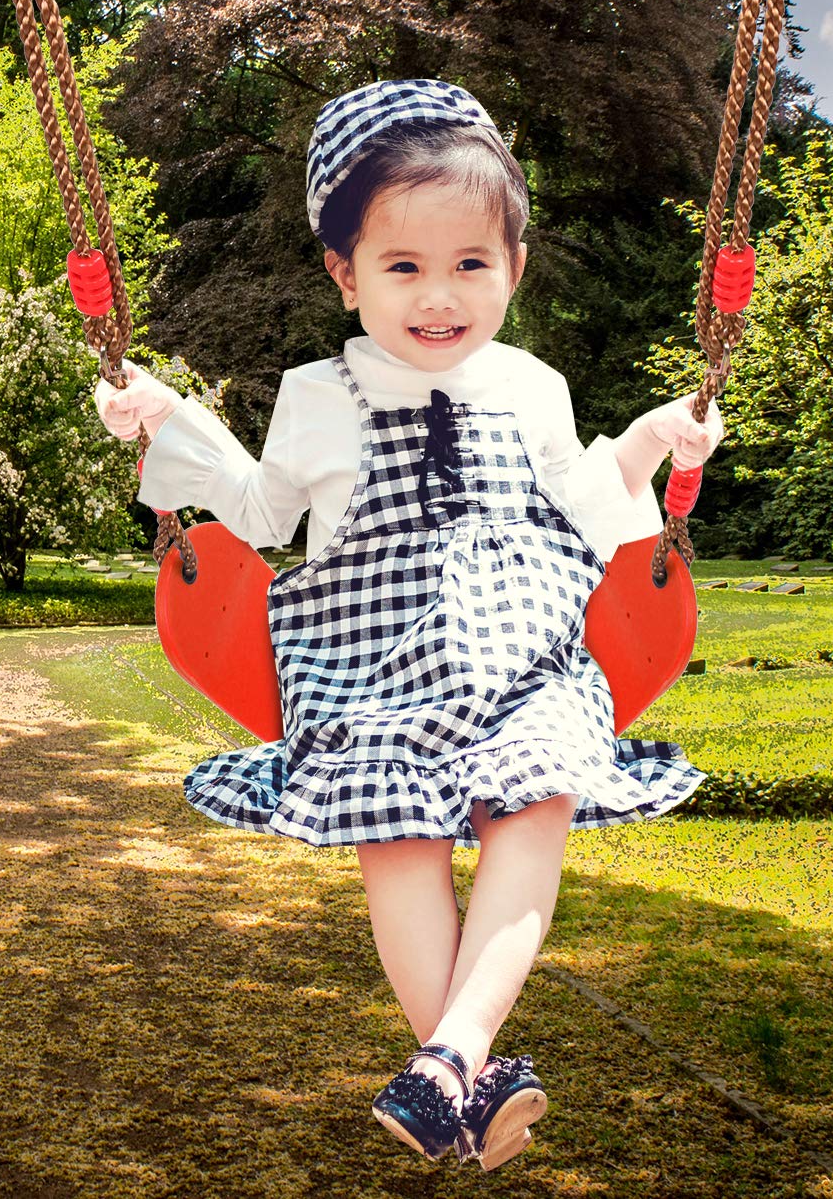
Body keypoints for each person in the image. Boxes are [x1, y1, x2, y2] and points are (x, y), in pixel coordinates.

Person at [94, 78, 723, 1171]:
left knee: (537, 809)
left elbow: (585, 500)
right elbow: (258, 510)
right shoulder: (316, 393)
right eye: (404, 267)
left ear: (513, 267)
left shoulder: (533, 384)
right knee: (399, 838)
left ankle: (453, 1058)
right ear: (345, 273)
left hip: (525, 653)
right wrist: (166, 418)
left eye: (471, 263)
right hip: (371, 662)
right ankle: (467, 1079)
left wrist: (656, 440)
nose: (441, 296)